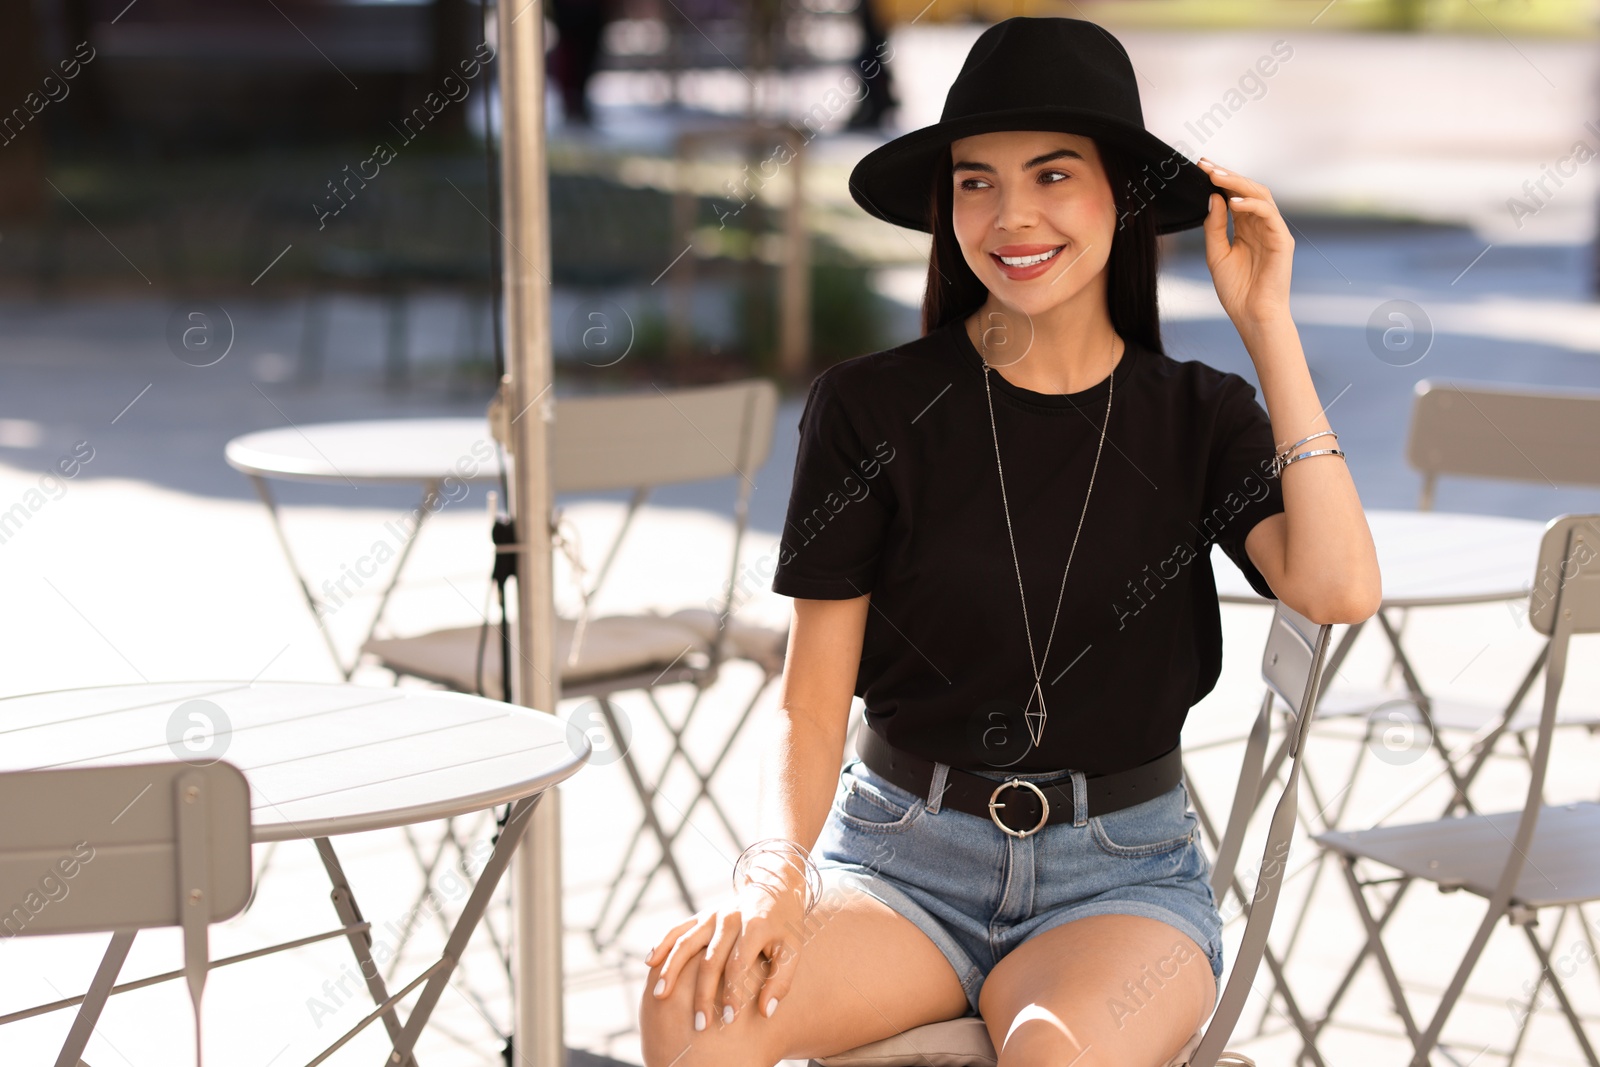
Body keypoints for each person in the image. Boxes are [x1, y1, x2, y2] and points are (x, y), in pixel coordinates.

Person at [638, 17, 1380, 1067]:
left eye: (1051, 174)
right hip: (897, 861)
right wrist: (772, 872)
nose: (1009, 214)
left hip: (1118, 875)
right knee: (689, 1005)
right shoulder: (868, 408)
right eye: (975, 182)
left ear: (1122, 197)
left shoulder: (1197, 415)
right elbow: (810, 700)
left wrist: (1268, 324)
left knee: (1048, 1051)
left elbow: (1340, 586)